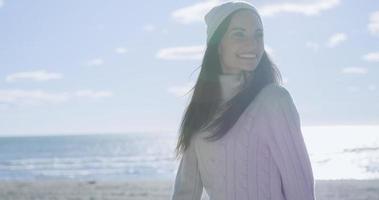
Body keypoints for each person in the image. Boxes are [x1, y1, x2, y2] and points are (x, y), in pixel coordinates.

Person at [170, 1, 316, 200]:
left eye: (259, 34)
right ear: (217, 44)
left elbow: (301, 189)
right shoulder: (201, 111)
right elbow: (185, 193)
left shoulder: (274, 101)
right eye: (239, 34)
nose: (252, 44)